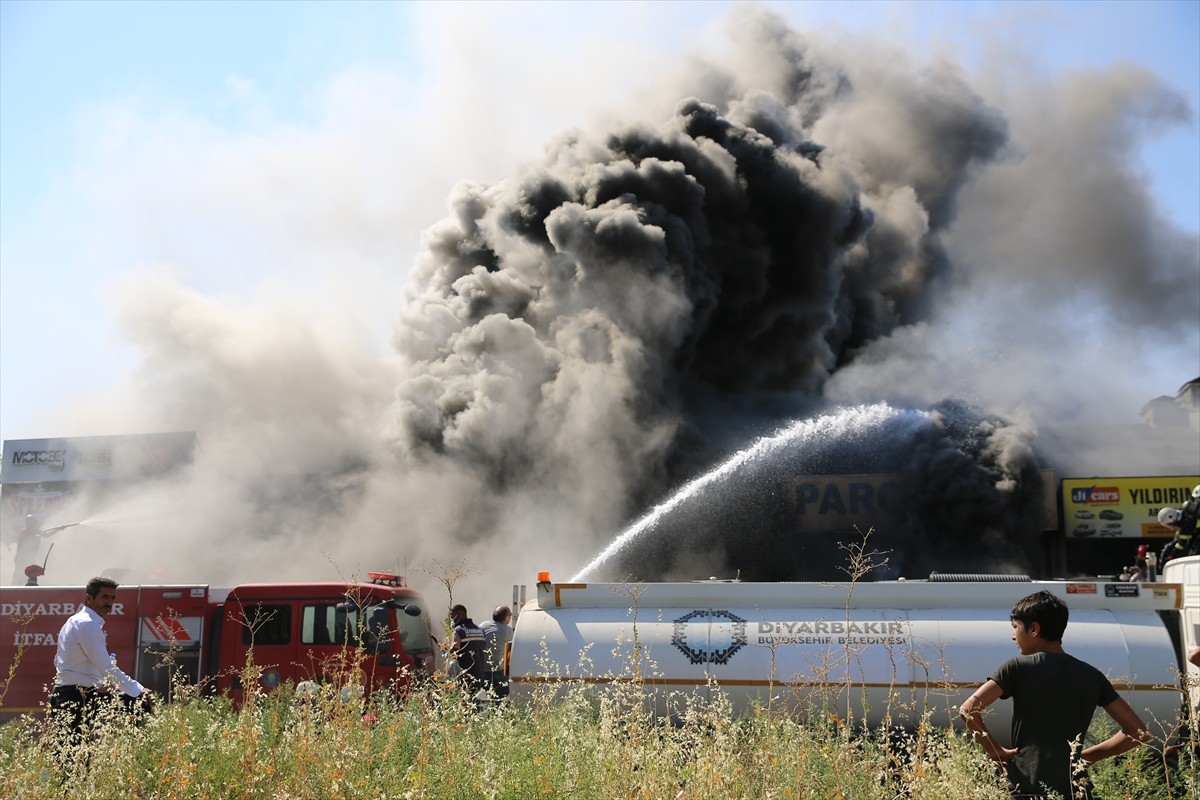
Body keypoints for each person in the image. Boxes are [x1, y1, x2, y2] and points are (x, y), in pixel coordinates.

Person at [959, 590, 1148, 799]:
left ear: (1034, 629)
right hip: (1075, 788)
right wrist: (1087, 757)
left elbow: (968, 710)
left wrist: (997, 752)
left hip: (1027, 787)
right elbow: (1138, 732)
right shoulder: (1091, 675)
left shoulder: (1017, 668)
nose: (1013, 635)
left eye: (1015, 627)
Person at [49, 576, 153, 742]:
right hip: (75, 697)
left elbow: (58, 660)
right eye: (105, 597)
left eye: (113, 598)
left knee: (72, 757)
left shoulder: (75, 621)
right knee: (139, 701)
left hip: (75, 695)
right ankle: (136, 752)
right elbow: (106, 669)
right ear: (88, 598)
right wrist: (139, 690)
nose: (109, 603)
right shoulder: (87, 624)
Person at [449, 604, 486, 695]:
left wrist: (447, 651)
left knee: (465, 701)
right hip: (480, 672)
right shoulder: (479, 630)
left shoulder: (458, 631)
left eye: (452, 616)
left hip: (465, 673)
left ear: (459, 615)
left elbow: (454, 651)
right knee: (475, 700)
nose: (452, 619)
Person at [479, 605, 513, 700]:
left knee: (485, 697)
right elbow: (510, 651)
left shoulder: (483, 625)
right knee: (501, 697)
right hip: (498, 669)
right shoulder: (508, 631)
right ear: (506, 618)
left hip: (482, 668)